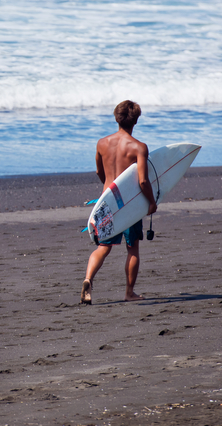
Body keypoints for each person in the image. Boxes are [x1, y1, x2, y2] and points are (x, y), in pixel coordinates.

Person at [81, 100, 157, 305]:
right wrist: (151, 202)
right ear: (136, 120)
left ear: (116, 118)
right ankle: (129, 292)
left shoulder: (102, 143)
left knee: (103, 247)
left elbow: (99, 171)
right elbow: (142, 180)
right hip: (129, 204)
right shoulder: (139, 147)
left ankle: (88, 279)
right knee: (132, 248)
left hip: (107, 202)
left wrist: (108, 192)